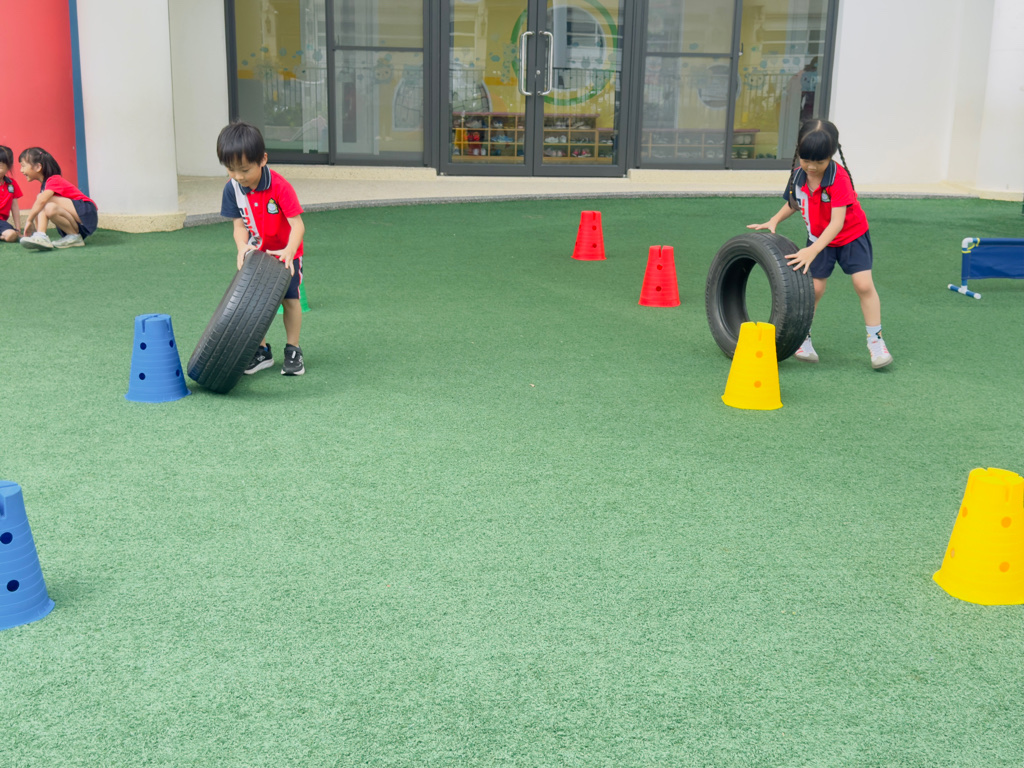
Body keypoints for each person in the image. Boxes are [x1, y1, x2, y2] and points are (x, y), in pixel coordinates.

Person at [747, 119, 892, 370]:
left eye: (820, 162)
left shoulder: (839, 179)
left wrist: (813, 251)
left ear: (831, 155)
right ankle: (803, 339)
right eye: (806, 160)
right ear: (798, 152)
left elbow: (837, 223)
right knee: (813, 289)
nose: (812, 167)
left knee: (863, 284)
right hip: (818, 237)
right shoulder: (798, 175)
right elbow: (793, 203)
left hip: (851, 236)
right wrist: (774, 220)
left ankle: (876, 342)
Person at [217, 121, 306, 376]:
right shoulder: (232, 188)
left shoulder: (280, 186)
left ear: (263, 159)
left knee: (290, 300)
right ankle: (262, 351)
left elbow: (298, 225)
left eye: (245, 170)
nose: (238, 176)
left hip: (285, 254)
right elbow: (239, 225)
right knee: (253, 304)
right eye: (231, 169)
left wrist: (289, 251)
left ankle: (293, 349)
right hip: (257, 254)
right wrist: (241, 247)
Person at [18, 147, 98, 250]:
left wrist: (29, 220)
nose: (21, 170)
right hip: (77, 224)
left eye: (23, 166)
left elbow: (41, 201)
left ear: (38, 167)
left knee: (42, 199)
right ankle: (73, 236)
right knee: (49, 207)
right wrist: (37, 232)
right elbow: (40, 209)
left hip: (86, 212)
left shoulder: (54, 180)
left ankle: (42, 237)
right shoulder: (45, 186)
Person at [0, 146, 22, 242]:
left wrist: (18, 229)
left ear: (8, 167)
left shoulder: (12, 184)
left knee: (12, 235)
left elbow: (15, 207)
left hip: (1, 223)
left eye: (0, 166)